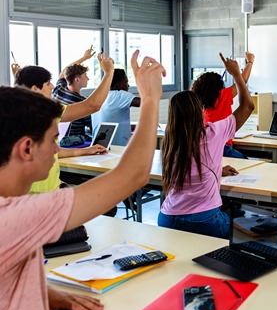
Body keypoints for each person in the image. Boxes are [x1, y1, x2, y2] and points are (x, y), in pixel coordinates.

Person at [0, 50, 165, 310]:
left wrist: (44, 294)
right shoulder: (16, 216)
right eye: (53, 140)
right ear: (27, 148)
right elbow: (133, 175)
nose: (57, 148)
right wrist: (150, 99)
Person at [159, 53, 254, 239]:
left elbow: (191, 169)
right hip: (204, 220)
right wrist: (236, 74)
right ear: (199, 111)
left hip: (167, 218)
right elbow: (248, 106)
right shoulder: (212, 133)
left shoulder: (170, 141)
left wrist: (216, 170)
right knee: (249, 230)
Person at [13, 52, 115, 194]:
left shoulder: (10, 110)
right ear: (35, 89)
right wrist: (109, 72)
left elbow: (49, 150)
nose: (52, 87)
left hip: (37, 189)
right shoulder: (45, 112)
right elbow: (93, 105)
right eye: (47, 84)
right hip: (40, 194)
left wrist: (85, 151)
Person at [190, 51, 255, 159]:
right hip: (223, 148)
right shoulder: (222, 96)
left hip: (207, 150)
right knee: (247, 161)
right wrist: (250, 62)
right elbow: (243, 81)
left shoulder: (198, 102)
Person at [52, 47, 98, 143]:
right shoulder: (83, 102)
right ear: (77, 80)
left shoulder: (58, 89)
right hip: (74, 142)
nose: (88, 79)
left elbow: (64, 71)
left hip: (56, 140)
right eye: (86, 76)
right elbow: (92, 126)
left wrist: (84, 57)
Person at [92, 68, 141, 146]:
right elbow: (146, 102)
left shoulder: (98, 96)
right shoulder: (119, 95)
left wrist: (131, 127)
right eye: (126, 82)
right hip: (118, 149)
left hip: (98, 147)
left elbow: (109, 122)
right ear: (119, 85)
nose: (128, 86)